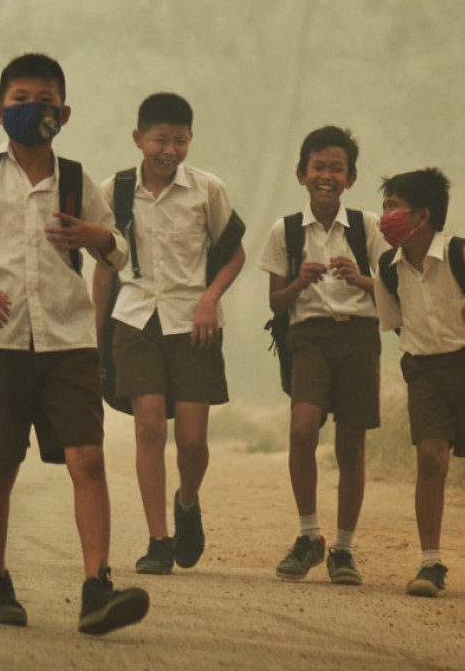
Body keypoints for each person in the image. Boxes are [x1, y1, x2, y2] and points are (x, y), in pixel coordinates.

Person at [0, 53, 149, 635]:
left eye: (46, 100)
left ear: (65, 112)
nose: (35, 109)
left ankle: (95, 587)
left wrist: (97, 235)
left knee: (88, 458)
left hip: (68, 340)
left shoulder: (78, 179)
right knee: (0, 464)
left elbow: (120, 251)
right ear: (0, 112)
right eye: (23, 99)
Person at [92, 93, 245, 576]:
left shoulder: (207, 190)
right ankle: (158, 540)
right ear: (138, 139)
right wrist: (98, 338)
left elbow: (235, 254)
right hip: (135, 320)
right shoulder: (113, 192)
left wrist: (209, 299)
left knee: (194, 441)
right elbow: (103, 270)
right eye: (159, 139)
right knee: (149, 427)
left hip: (193, 324)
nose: (169, 150)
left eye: (179, 140)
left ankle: (187, 502)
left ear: (190, 140)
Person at [258, 126, 386, 585]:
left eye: (336, 168)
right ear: (301, 174)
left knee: (351, 441)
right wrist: (299, 283)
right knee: (302, 429)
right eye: (319, 167)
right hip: (307, 337)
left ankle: (344, 549)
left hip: (359, 337)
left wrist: (360, 280)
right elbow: (276, 301)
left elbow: (393, 291)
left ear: (351, 178)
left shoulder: (368, 226)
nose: (327, 176)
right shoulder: (287, 230)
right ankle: (310, 535)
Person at [374, 168, 464, 597]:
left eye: (394, 206)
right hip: (424, 370)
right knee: (431, 458)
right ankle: (431, 563)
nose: (385, 215)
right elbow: (397, 323)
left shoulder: (460, 256)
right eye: (385, 205)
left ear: (422, 216)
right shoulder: (387, 268)